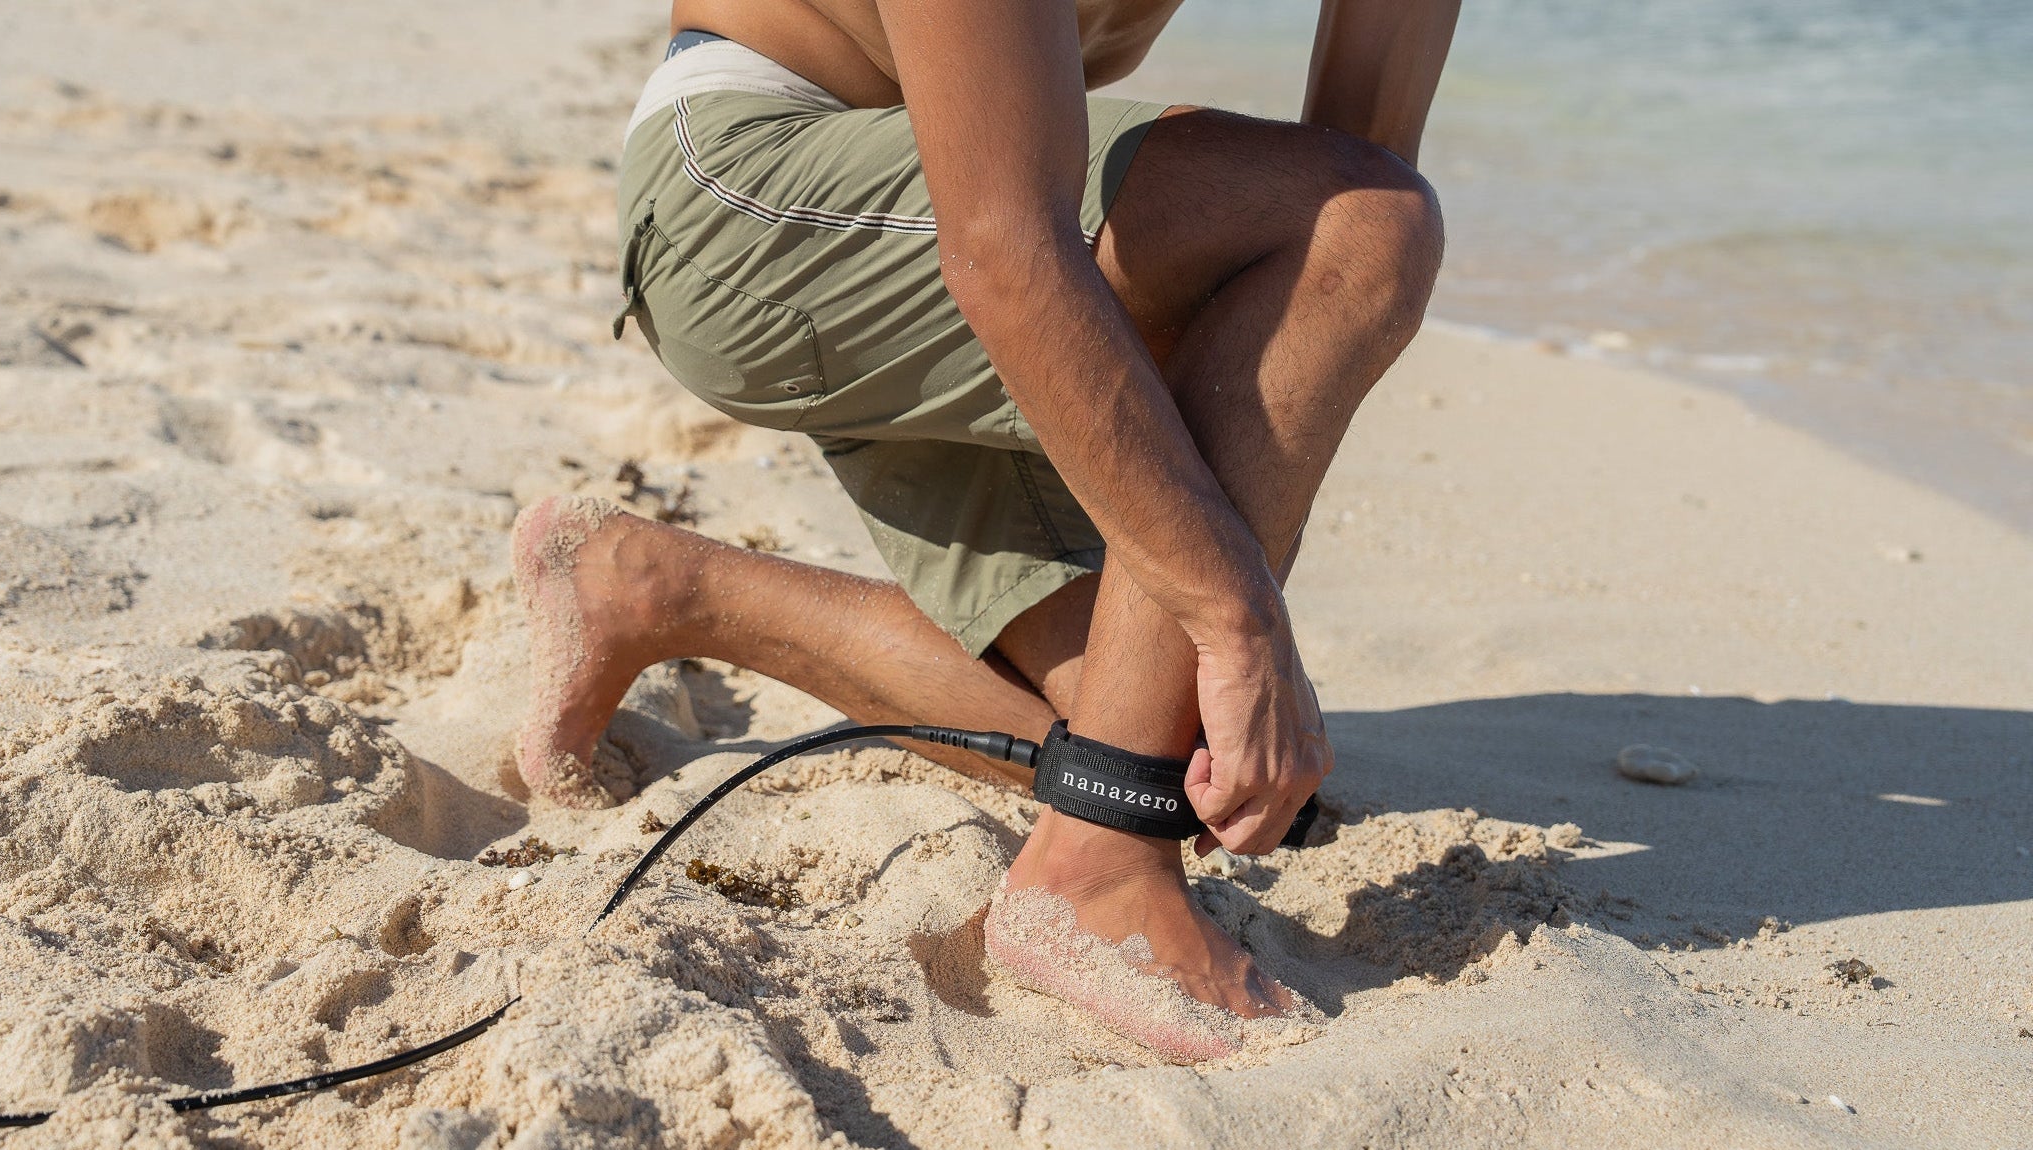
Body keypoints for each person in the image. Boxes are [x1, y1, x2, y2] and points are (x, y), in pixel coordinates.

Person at [514, 0, 1456, 1061]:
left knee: (1172, 754)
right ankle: (1093, 872)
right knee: (1349, 222)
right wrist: (1237, 621)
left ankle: (649, 585)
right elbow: (1013, 247)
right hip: (751, 199)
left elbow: (1346, 187)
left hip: (940, 195)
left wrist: (1204, 639)